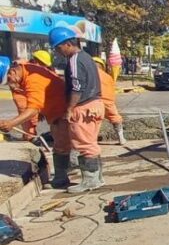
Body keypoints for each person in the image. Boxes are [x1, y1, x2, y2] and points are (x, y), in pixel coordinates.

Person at [0, 57, 72, 187]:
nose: (10, 84)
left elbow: (33, 108)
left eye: (9, 80)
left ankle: (69, 178)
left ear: (13, 72)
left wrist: (12, 123)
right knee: (61, 146)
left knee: (64, 147)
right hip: (56, 113)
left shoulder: (32, 79)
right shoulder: (28, 70)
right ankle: (63, 176)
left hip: (62, 114)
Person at [50, 27, 105, 193]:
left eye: (58, 48)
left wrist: (69, 109)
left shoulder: (75, 60)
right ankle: (96, 178)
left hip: (84, 107)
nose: (58, 52)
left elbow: (77, 87)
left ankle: (91, 181)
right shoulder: (86, 57)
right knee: (89, 143)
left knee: (85, 144)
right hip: (94, 104)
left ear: (67, 44)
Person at [92, 56, 127, 145]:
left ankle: (92, 141)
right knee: (116, 119)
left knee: (93, 121)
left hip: (94, 101)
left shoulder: (89, 74)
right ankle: (121, 138)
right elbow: (112, 90)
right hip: (108, 103)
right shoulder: (108, 77)